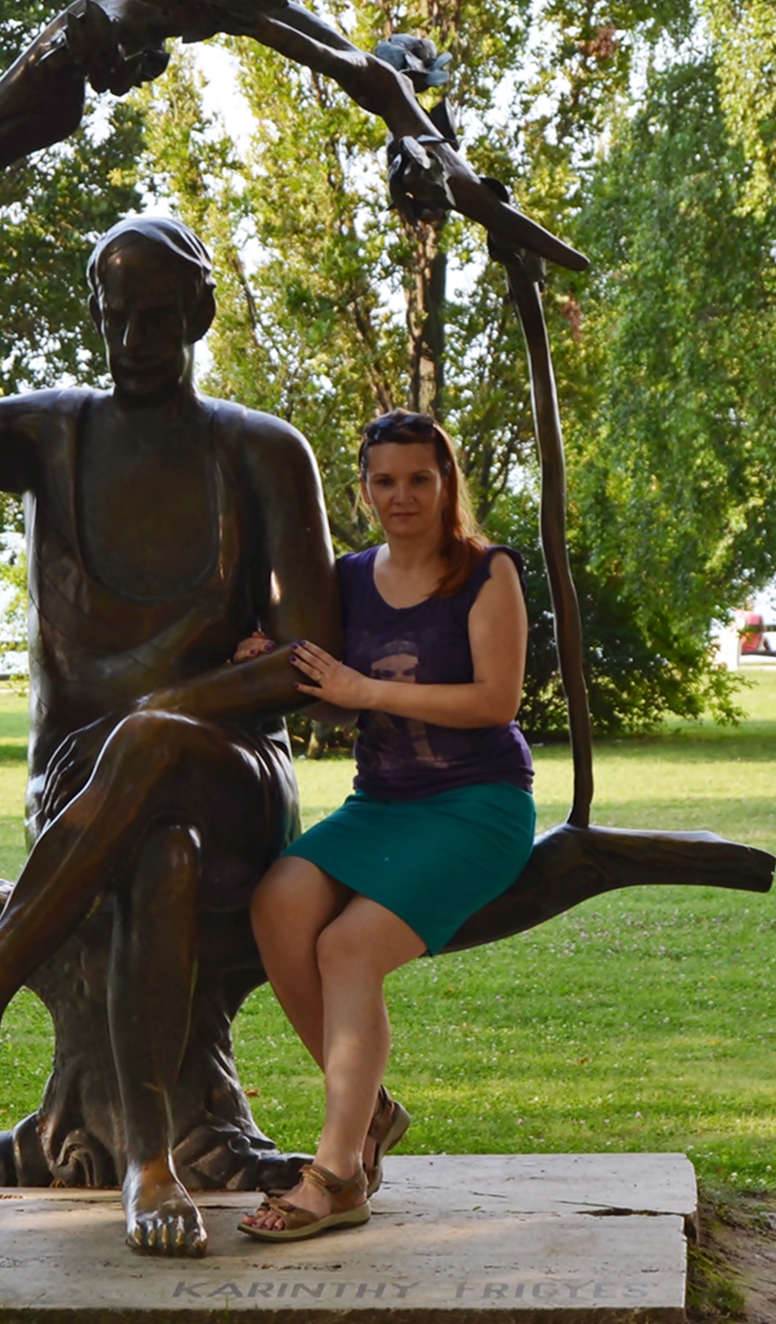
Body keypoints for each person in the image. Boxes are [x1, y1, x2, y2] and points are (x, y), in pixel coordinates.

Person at [0, 216, 340, 1258]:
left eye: (159, 319)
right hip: (82, 790)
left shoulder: (261, 451)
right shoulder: (52, 433)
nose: (134, 341)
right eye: (116, 319)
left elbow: (308, 663)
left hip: (234, 772)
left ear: (200, 313)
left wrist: (171, 707)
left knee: (156, 755)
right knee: (159, 852)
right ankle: (149, 1160)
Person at [235, 409, 536, 1241]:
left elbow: (495, 700)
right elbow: (325, 694)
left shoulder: (485, 572)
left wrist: (364, 689)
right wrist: (270, 663)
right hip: (382, 802)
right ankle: (370, 1111)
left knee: (347, 947)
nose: (401, 496)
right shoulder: (345, 579)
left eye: (418, 479)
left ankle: (335, 1175)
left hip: (477, 805)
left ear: (445, 483)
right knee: (278, 903)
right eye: (384, 481)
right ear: (363, 489)